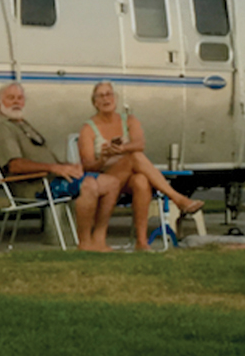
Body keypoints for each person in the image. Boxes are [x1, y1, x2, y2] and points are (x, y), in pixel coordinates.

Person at [0, 81, 121, 252]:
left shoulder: (22, 125)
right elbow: (15, 165)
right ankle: (85, 242)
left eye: (20, 98)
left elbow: (49, 161)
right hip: (36, 186)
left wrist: (68, 166)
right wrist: (54, 168)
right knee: (89, 185)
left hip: (52, 178)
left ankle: (99, 239)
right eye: (10, 98)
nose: (16, 102)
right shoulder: (2, 129)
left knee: (112, 183)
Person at [77, 81, 204, 251]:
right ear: (95, 102)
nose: (106, 98)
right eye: (101, 95)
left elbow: (140, 143)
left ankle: (142, 242)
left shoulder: (128, 120)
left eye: (109, 94)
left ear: (116, 98)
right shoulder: (88, 129)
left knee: (141, 180)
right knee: (133, 158)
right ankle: (177, 198)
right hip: (105, 178)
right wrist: (104, 158)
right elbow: (88, 166)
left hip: (127, 178)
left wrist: (122, 148)